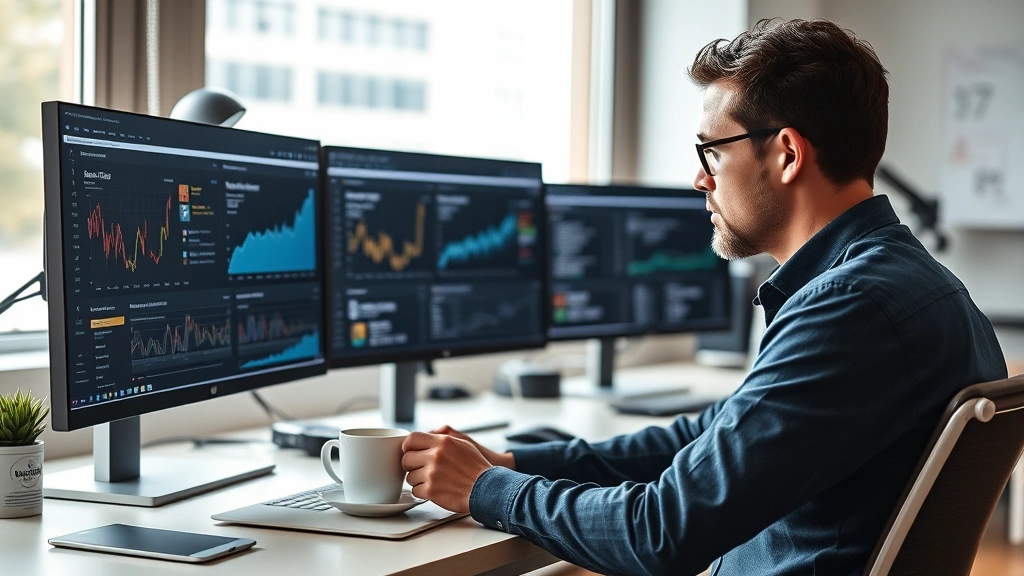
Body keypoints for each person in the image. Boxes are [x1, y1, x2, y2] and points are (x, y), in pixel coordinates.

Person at [400, 18, 1007, 576]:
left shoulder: (850, 307)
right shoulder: (913, 285)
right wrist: (513, 465)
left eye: (712, 152)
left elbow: (661, 534)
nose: (699, 179)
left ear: (788, 154)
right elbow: (705, 438)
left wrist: (485, 491)